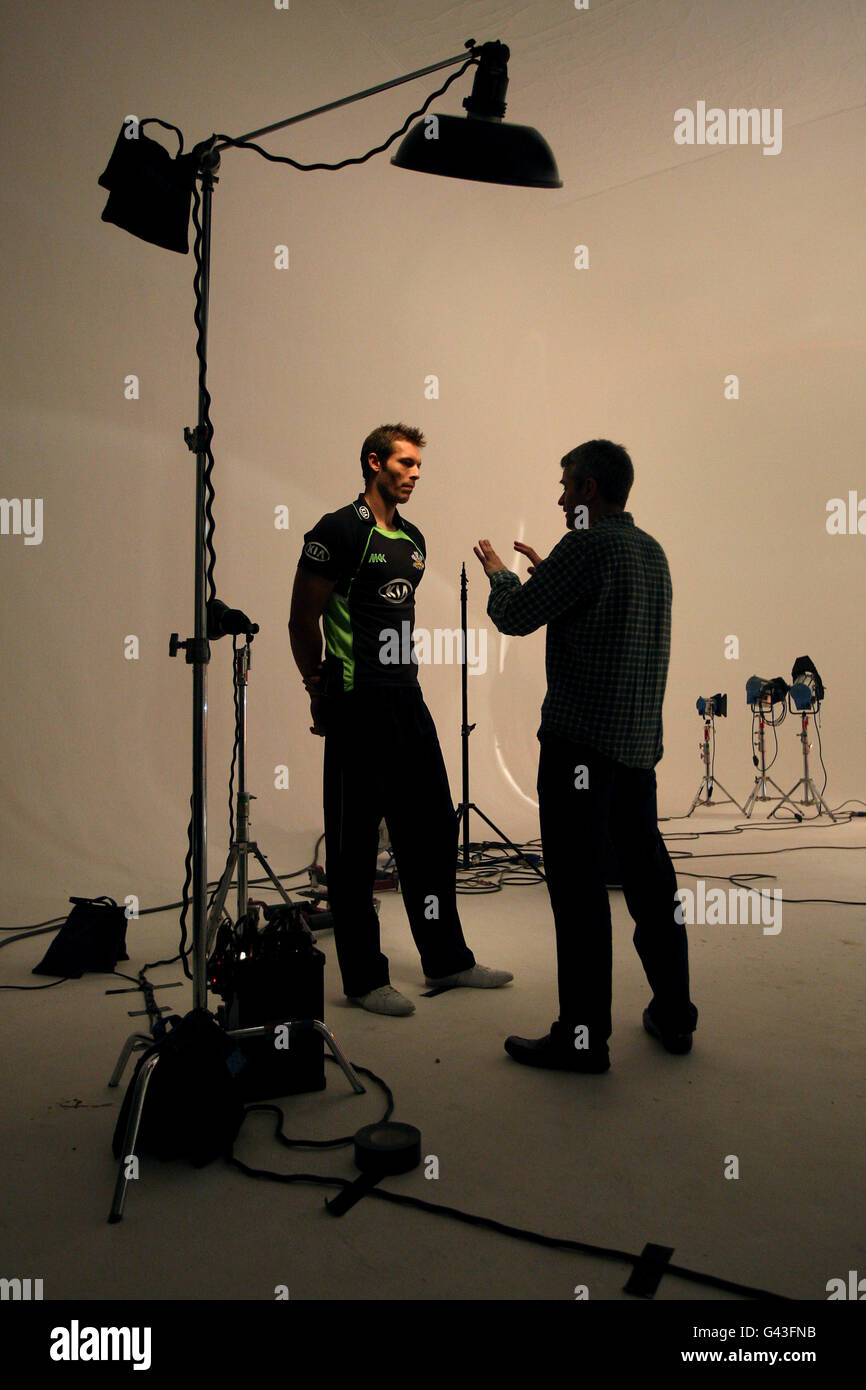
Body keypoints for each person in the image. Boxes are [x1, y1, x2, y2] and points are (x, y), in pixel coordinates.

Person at [474, 439, 697, 1071]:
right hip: (635, 750)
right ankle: (674, 1013)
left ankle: (582, 1039)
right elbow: (604, 616)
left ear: (591, 490)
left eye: (568, 484)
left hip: (578, 750)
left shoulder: (586, 546)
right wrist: (555, 576)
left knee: (576, 889)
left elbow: (515, 616)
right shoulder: (650, 553)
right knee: (651, 882)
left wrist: (500, 573)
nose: (562, 495)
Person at [289, 423, 512, 1015]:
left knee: (431, 832)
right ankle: (363, 980)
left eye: (418, 466)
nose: (414, 475)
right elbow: (300, 619)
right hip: (356, 706)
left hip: (406, 702)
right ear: (373, 463)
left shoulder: (413, 540)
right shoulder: (336, 531)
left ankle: (447, 960)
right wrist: (319, 691)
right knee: (354, 848)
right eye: (404, 463)